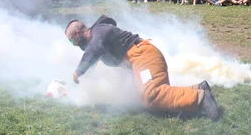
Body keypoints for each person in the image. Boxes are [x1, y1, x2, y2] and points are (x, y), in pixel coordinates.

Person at [65, 16, 219, 120]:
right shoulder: (97, 37)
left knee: (150, 95)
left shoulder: (98, 32)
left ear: (78, 33)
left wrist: (78, 71)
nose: (74, 45)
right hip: (139, 60)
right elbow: (94, 57)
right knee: (147, 100)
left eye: (72, 41)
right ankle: (197, 87)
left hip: (142, 55)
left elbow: (94, 50)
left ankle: (200, 98)